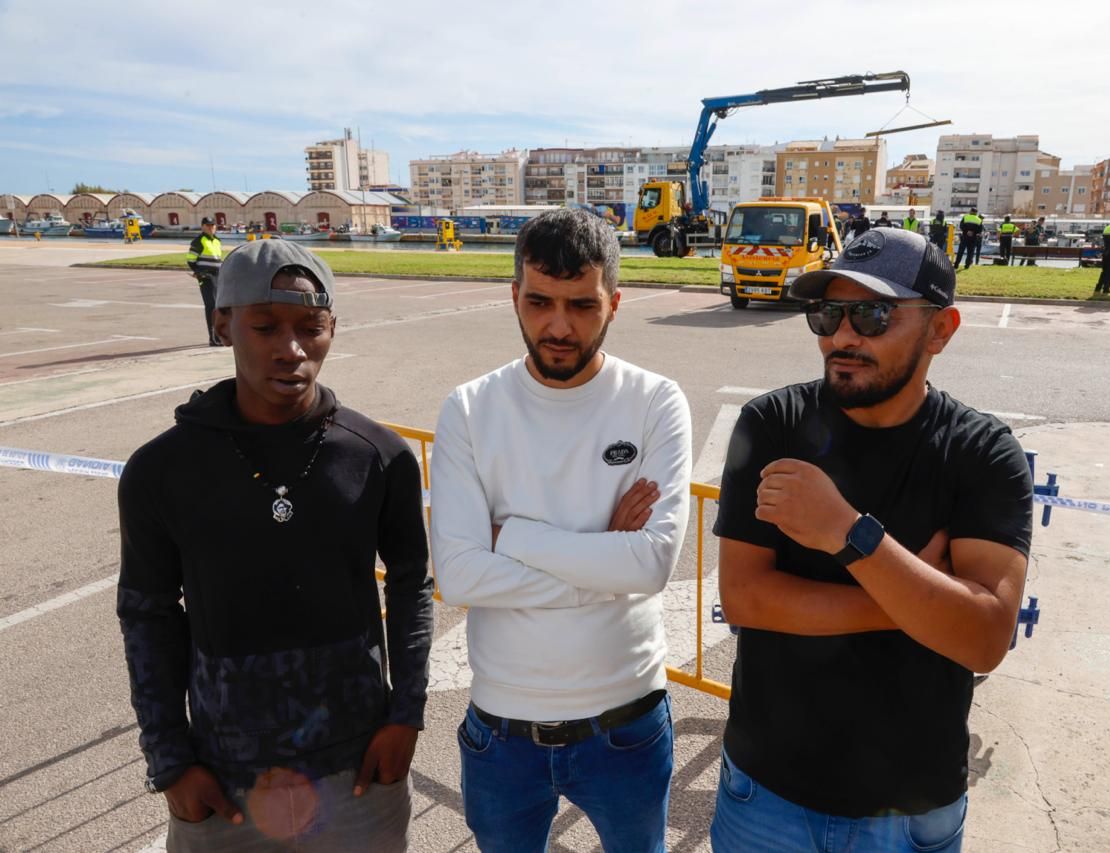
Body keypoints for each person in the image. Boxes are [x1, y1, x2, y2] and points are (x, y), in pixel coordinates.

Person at [709, 228, 1032, 853]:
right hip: (766, 794)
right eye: (828, 313)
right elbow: (746, 599)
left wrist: (847, 533)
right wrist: (915, 602)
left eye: (874, 314)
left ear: (941, 330)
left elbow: (984, 638)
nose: (842, 337)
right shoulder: (773, 426)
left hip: (910, 812)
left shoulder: (981, 453)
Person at [117, 240, 434, 852]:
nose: (290, 350)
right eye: (264, 327)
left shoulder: (379, 458)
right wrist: (170, 761)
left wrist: (406, 716)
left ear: (332, 328)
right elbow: (147, 616)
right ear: (222, 322)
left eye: (310, 328)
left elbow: (411, 583)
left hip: (359, 775)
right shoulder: (160, 471)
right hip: (223, 782)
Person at [430, 208, 693, 853]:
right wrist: (601, 561)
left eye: (581, 304)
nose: (558, 324)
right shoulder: (469, 408)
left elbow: (650, 566)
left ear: (614, 304)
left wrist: (512, 536)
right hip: (502, 730)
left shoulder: (656, 400)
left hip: (625, 722)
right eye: (540, 301)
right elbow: (459, 574)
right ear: (514, 296)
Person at [186, 217, 223, 346]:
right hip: (206, 278)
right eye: (208, 225)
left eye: (213, 225)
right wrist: (199, 272)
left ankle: (219, 336)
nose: (211, 227)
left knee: (219, 307)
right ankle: (213, 338)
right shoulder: (198, 241)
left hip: (218, 277)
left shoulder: (217, 241)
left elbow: (217, 260)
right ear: (202, 226)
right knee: (211, 306)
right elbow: (191, 260)